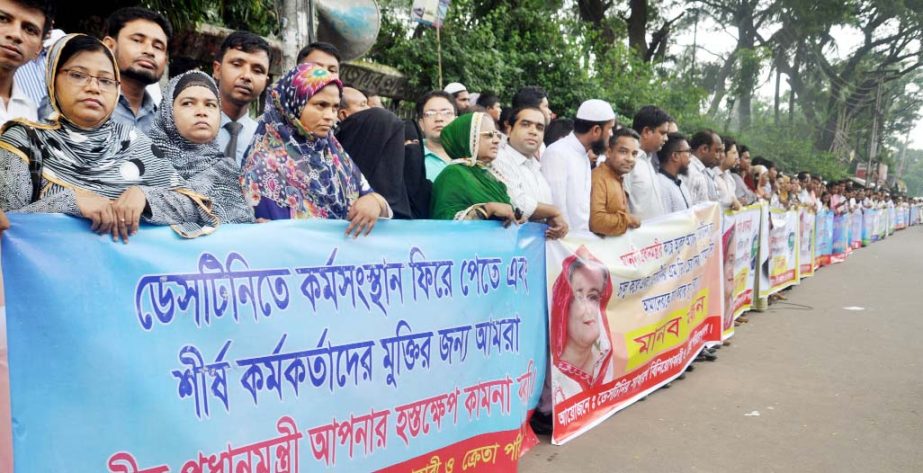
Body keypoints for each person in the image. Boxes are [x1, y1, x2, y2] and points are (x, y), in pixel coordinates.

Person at [0, 34, 218, 241]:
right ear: (53, 78)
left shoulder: (133, 141)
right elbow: (7, 224)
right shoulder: (25, 141)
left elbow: (199, 208)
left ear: (116, 89)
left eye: (105, 81)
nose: (93, 87)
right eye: (78, 75)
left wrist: (145, 197)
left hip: (127, 277)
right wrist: (71, 202)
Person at [241, 63, 391, 237]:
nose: (330, 116)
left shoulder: (334, 154)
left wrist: (376, 202)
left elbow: (369, 197)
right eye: (321, 105)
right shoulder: (264, 166)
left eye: (335, 107)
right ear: (294, 103)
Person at [147, 70, 254, 227]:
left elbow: (237, 228)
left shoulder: (228, 172)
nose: (202, 112)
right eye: (188, 103)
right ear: (167, 111)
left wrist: (147, 200)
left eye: (210, 105)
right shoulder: (141, 163)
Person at [430, 112, 522, 223]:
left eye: (497, 135)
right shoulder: (453, 174)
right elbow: (446, 223)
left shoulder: (489, 175)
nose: (496, 140)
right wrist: (487, 209)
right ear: (466, 138)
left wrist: (515, 218)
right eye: (489, 135)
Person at [550, 247, 615, 403]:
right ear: (563, 306)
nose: (589, 309)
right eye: (578, 297)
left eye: (593, 297)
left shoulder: (605, 360)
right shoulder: (555, 379)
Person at [542, 99, 616, 235]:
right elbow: (556, 208)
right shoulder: (557, 153)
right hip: (563, 246)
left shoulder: (583, 155)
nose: (611, 134)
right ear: (596, 130)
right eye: (610, 128)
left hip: (579, 243)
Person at [492, 106, 568, 238]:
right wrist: (553, 212)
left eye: (539, 127)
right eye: (525, 125)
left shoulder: (536, 166)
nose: (533, 132)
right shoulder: (498, 158)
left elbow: (543, 211)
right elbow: (517, 203)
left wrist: (553, 219)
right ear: (509, 130)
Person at [336, 106, 417, 220]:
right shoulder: (328, 177)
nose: (395, 152)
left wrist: (379, 202)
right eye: (387, 144)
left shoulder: (409, 195)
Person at [101, 7, 171, 134]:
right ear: (109, 46)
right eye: (137, 40)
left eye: (158, 47)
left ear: (165, 60)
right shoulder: (82, 103)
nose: (149, 51)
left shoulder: (164, 127)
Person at [212, 31, 271, 167]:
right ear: (217, 70)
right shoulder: (189, 127)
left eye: (257, 70)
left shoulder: (267, 141)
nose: (246, 76)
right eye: (237, 64)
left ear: (265, 83)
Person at [0, 0, 52, 124]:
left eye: (30, 29)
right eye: (3, 19)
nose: (16, 34)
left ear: (39, 47)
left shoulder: (30, 111)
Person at [590, 128, 641, 236]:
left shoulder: (617, 176)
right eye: (623, 152)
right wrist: (628, 220)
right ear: (609, 152)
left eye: (634, 154)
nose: (630, 159)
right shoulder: (599, 177)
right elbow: (597, 222)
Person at [626, 105, 671, 221]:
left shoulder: (648, 161)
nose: (666, 138)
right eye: (662, 133)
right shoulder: (628, 162)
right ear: (646, 132)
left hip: (655, 237)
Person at [416, 90, 457, 180]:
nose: (439, 118)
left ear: (456, 120)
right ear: (421, 123)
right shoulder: (411, 155)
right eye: (431, 114)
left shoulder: (469, 155)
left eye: (446, 113)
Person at [656, 132, 693, 214]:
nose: (690, 156)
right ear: (675, 156)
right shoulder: (661, 184)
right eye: (688, 151)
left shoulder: (679, 182)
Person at [686, 130, 719, 204]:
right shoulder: (691, 171)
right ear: (704, 149)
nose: (718, 156)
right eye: (716, 151)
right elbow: (690, 210)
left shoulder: (704, 171)